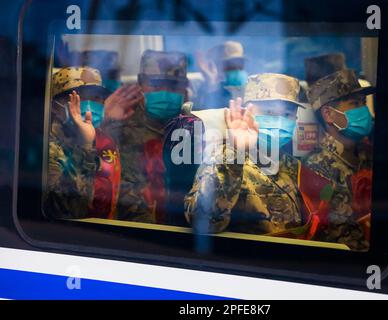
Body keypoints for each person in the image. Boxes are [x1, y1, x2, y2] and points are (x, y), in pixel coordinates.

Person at [184, 73, 309, 235]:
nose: (278, 121)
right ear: (245, 111)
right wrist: (236, 151)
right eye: (269, 112)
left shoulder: (292, 165)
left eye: (287, 115)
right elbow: (203, 221)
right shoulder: (224, 158)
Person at [103, 50, 198, 224]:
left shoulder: (195, 129)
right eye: (156, 83)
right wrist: (106, 123)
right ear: (141, 83)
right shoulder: (120, 127)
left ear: (185, 87)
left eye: (173, 84)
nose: (164, 91)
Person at [303, 69, 376, 251]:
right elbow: (333, 234)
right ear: (328, 114)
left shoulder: (367, 154)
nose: (363, 110)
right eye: (354, 103)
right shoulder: (316, 167)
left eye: (362, 103)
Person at [44, 66, 127, 220]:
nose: (90, 106)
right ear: (56, 105)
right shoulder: (47, 148)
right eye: (80, 97)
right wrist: (84, 147)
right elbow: (66, 210)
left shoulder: (106, 141)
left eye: (96, 98)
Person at [194, 41, 248, 109]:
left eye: (240, 64)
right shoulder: (205, 89)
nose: (237, 69)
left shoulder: (249, 91)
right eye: (231, 65)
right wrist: (212, 84)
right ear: (216, 67)